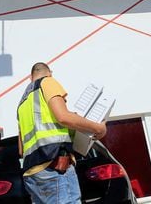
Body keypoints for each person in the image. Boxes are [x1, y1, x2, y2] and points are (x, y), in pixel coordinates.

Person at [17, 62, 107, 204]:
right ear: (50, 73)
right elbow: (63, 117)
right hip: (54, 168)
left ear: (31, 77)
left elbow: (21, 150)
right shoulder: (48, 82)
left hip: (32, 175)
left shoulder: (22, 104)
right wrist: (97, 128)